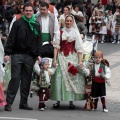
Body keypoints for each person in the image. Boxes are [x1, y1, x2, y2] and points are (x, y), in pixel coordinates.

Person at [4, 2, 42, 111]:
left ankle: (23, 103)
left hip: (30, 56)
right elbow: (11, 39)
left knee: (26, 80)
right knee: (15, 78)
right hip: (17, 55)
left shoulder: (36, 24)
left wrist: (39, 54)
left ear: (33, 12)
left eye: (30, 10)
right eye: (27, 10)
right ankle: (9, 103)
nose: (29, 12)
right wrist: (7, 53)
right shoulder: (17, 23)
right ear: (23, 11)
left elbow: (39, 41)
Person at [51, 15, 86, 108]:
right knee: (59, 78)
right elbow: (56, 47)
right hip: (61, 57)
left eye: (70, 21)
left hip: (72, 57)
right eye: (67, 21)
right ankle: (58, 100)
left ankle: (71, 101)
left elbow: (79, 49)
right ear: (64, 21)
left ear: (73, 22)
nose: (69, 22)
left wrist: (79, 62)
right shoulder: (60, 32)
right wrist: (54, 59)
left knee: (72, 78)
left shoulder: (75, 33)